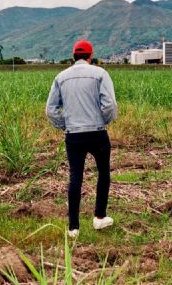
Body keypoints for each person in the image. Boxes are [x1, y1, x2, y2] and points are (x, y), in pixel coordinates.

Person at [45, 40, 118, 238]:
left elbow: (50, 110)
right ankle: (99, 217)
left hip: (73, 135)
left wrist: (65, 124)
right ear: (90, 56)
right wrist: (103, 121)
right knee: (103, 172)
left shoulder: (61, 77)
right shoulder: (100, 74)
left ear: (73, 56)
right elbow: (109, 105)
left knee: (75, 176)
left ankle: (73, 228)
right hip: (97, 132)